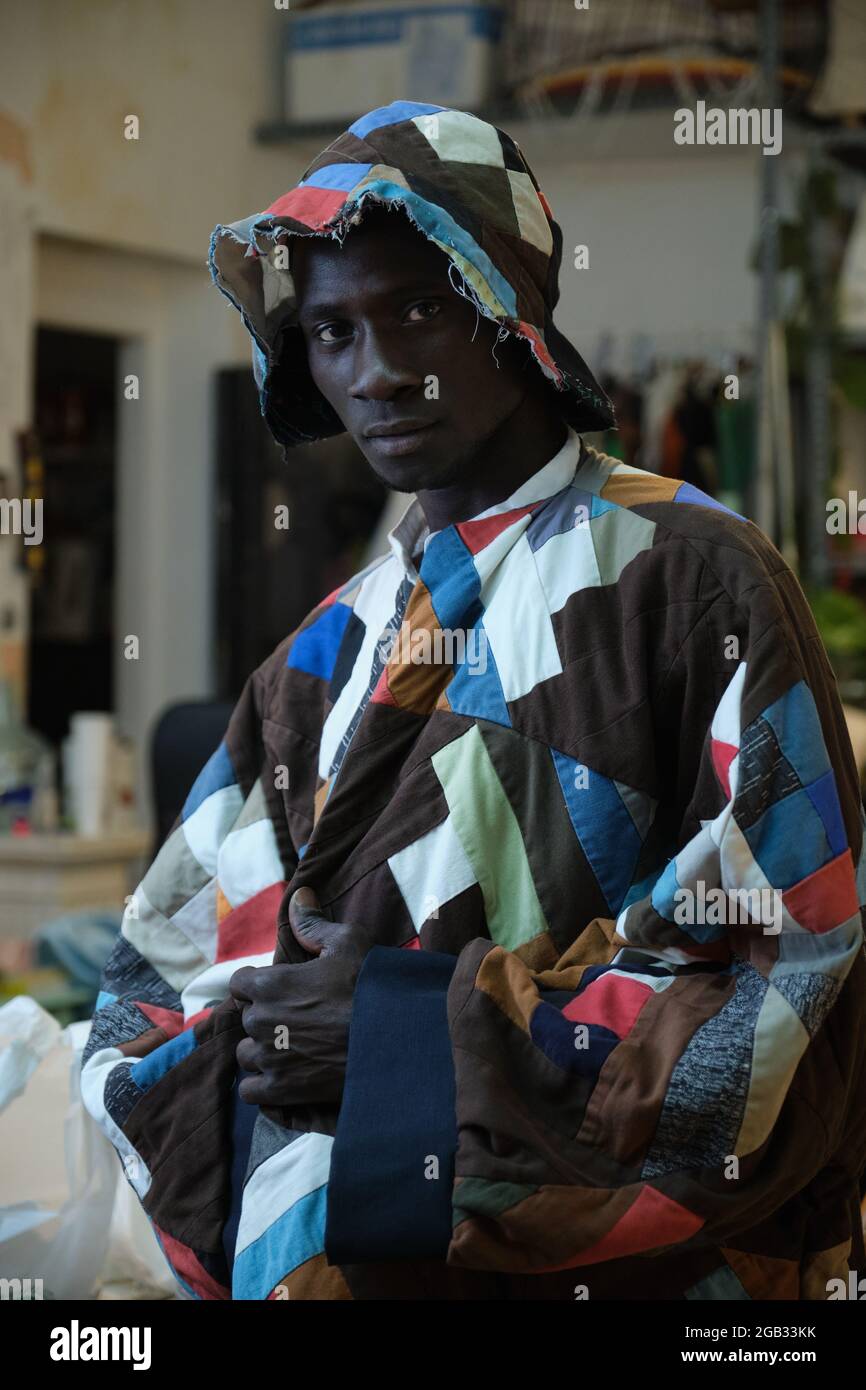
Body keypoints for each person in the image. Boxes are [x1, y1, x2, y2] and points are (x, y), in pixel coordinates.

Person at [82, 100, 866, 1301]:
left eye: (419, 308)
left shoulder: (689, 575)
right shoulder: (323, 651)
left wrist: (413, 1038)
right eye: (332, 330)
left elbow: (796, 977)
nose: (378, 370)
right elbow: (149, 994)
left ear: (508, 310)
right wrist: (271, 1042)